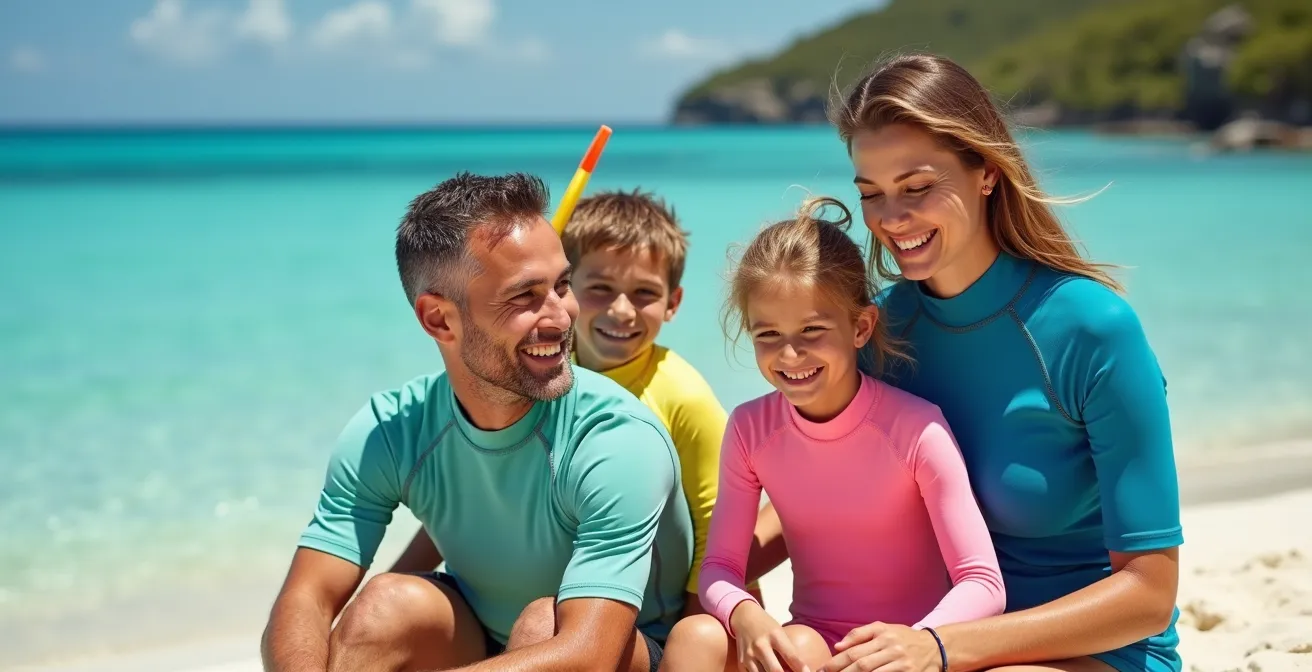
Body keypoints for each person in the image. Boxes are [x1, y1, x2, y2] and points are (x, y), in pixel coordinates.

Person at [822, 53, 1184, 672]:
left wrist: (944, 648)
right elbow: (810, 479)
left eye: (917, 187)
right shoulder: (882, 331)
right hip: (928, 645)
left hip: (1094, 653)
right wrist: (713, 584)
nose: (891, 218)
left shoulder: (1092, 329)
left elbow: (1149, 594)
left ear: (986, 172)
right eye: (871, 194)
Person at [259, 172, 694, 672]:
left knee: (542, 625)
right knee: (383, 607)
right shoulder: (392, 429)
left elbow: (588, 655)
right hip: (483, 642)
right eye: (524, 296)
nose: (560, 317)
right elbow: (307, 597)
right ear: (439, 319)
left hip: (626, 651)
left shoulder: (617, 440)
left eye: (561, 285)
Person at [392, 189, 789, 614]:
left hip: (655, 615)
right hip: (549, 600)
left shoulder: (682, 397)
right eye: (599, 288)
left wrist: (700, 633)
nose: (622, 311)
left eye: (644, 293)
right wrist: (394, 583)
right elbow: (471, 496)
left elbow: (719, 529)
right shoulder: (536, 373)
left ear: (672, 303)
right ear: (564, 289)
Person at [659, 197, 1006, 672]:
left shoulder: (916, 429)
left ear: (861, 326)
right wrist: (745, 613)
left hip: (906, 653)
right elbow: (720, 567)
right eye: (768, 335)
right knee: (696, 635)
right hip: (812, 644)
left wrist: (917, 641)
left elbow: (983, 582)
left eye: (811, 330)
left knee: (798, 647)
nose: (790, 354)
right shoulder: (750, 428)